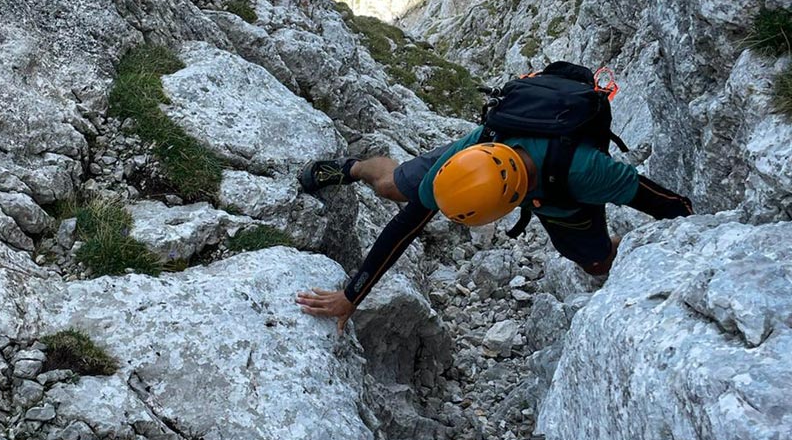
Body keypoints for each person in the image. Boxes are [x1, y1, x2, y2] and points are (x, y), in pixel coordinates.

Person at [294, 127, 693, 333]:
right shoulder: (466, 162)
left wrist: (699, 236)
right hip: (488, 156)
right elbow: (403, 229)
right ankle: (351, 168)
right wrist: (351, 295)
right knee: (390, 186)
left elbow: (663, 201)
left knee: (596, 261)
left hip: (560, 190)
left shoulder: (588, 172)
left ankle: (622, 249)